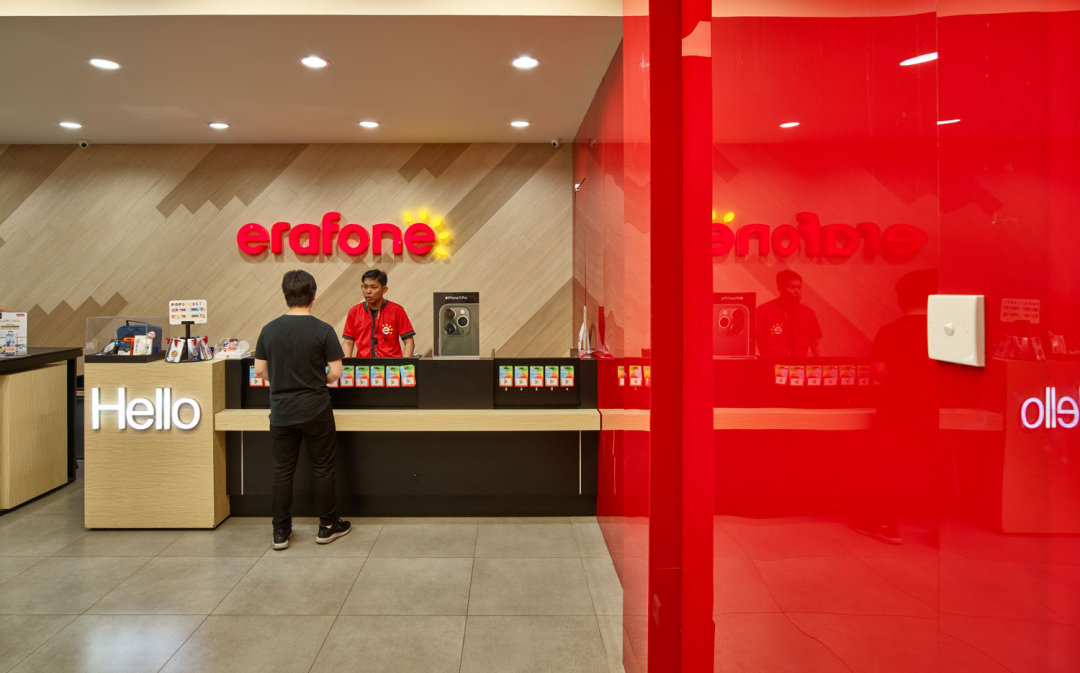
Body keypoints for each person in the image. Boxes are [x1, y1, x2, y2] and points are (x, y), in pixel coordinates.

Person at [254, 270, 351, 550]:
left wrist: (280, 380)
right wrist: (317, 380)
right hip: (316, 409)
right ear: (313, 295)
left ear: (286, 295)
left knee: (282, 471)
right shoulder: (323, 329)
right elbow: (336, 372)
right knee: (323, 467)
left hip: (281, 411)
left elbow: (259, 370)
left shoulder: (269, 329)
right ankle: (327, 526)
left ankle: (280, 530)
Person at [851, 269, 941, 544]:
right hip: (933, 406)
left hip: (897, 405)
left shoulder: (890, 331)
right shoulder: (946, 330)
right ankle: (941, 529)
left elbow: (878, 372)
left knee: (887, 464)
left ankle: (884, 524)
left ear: (901, 299)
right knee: (933, 465)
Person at [341, 268, 416, 357]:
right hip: (363, 365)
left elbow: (409, 342)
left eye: (373, 287)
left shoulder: (397, 310)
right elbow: (348, 343)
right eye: (365, 287)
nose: (368, 291)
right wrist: (345, 365)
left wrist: (404, 364)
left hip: (391, 364)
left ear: (384, 289)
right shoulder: (354, 312)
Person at [756, 269, 823, 357]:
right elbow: (752, 343)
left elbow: (816, 345)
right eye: (792, 287)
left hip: (799, 365)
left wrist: (825, 364)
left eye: (799, 287)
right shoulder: (763, 311)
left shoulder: (808, 313)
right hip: (771, 364)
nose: (797, 291)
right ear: (780, 289)